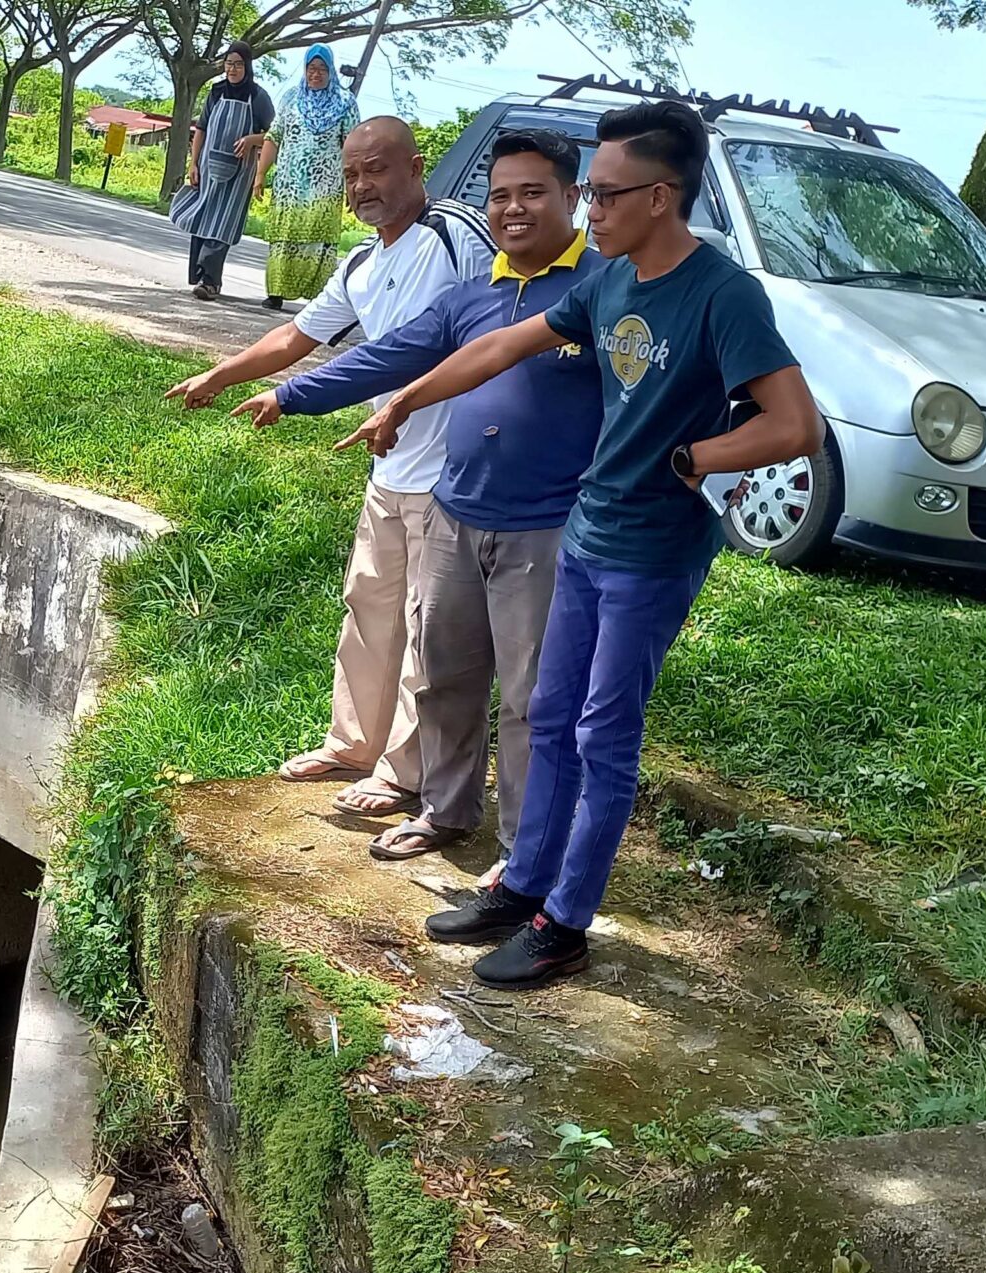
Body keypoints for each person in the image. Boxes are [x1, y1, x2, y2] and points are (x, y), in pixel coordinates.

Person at [351, 100, 823, 990]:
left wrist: (694, 458)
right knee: (552, 715)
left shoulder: (722, 294)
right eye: (592, 193)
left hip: (653, 550)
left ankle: (565, 923)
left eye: (604, 195)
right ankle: (524, 884)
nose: (589, 210)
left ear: (661, 196)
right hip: (586, 534)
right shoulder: (608, 284)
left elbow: (795, 425)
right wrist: (408, 399)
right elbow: (501, 347)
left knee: (605, 732)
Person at [233, 130, 603, 865]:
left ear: (572, 197)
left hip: (548, 524)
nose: (513, 208)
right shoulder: (476, 295)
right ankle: (444, 810)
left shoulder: (600, 289)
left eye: (532, 193)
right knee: (443, 676)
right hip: (458, 509)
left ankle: (526, 851)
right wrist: (290, 395)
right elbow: (387, 355)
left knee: (531, 697)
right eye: (500, 195)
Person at [168, 117, 494, 820]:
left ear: (416, 167)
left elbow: (474, 335)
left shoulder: (456, 236)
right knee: (369, 610)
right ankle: (353, 745)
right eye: (350, 175)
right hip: (389, 467)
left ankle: (405, 772)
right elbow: (297, 333)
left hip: (451, 471)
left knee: (428, 629)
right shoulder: (361, 263)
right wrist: (220, 375)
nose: (362, 186)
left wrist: (308, 397)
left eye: (376, 170)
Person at [258, 44, 361, 310]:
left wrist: (353, 183)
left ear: (331, 71)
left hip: (325, 187)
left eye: (322, 69)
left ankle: (318, 299)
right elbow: (274, 136)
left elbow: (352, 146)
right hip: (289, 186)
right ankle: (276, 293)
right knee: (285, 235)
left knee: (318, 239)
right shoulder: (291, 98)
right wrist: (260, 174)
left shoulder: (345, 102)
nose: (316, 74)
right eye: (311, 68)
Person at [175, 41, 275, 301]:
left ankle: (210, 282)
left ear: (247, 66)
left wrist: (252, 140)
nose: (232, 69)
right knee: (202, 218)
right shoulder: (216, 92)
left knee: (223, 223)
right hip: (208, 167)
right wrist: (193, 163)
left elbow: (274, 134)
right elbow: (201, 129)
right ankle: (201, 276)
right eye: (229, 64)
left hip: (239, 173)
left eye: (238, 64)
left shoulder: (258, 96)